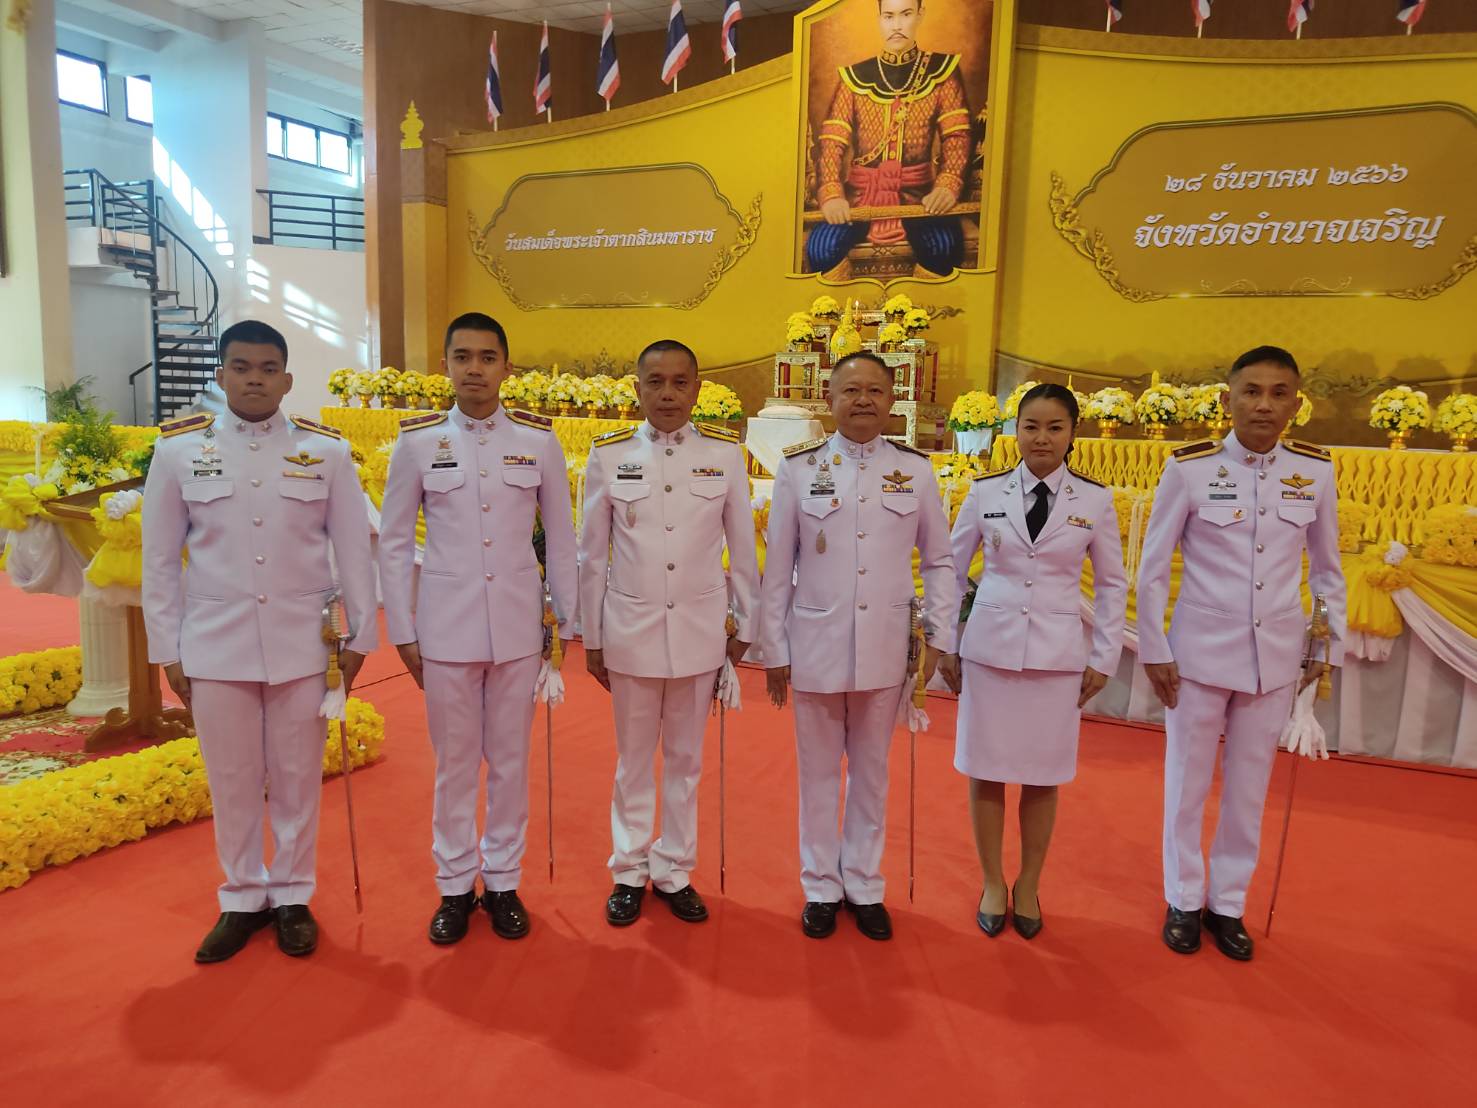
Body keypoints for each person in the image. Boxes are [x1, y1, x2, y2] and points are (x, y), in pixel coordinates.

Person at [142, 319, 376, 963]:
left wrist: (361, 635)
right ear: (221, 376)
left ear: (287, 379)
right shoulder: (178, 452)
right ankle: (243, 896)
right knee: (233, 779)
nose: (254, 379)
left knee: (298, 776)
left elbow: (354, 550)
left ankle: (294, 894)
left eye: (268, 369)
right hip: (214, 645)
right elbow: (158, 561)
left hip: (305, 644)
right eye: (241, 368)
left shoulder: (325, 452)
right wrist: (167, 649)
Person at [1137, 346, 1345, 962]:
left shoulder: (1315, 472)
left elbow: (1327, 570)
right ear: (1228, 400)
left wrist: (1323, 644)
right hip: (1197, 656)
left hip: (1273, 659)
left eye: (1279, 393)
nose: (1264, 404)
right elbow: (1153, 568)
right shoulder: (1190, 468)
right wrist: (1154, 647)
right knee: (1186, 783)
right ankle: (1183, 897)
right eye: (1251, 391)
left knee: (1250, 789)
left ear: (1296, 404)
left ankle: (1227, 904)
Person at [378, 312, 577, 946]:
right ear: (445, 365)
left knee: (511, 763)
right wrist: (403, 629)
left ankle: (505, 881)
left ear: (506, 368)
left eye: (487, 357)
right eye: (462, 357)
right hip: (445, 629)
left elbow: (562, 540)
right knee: (455, 765)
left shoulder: (538, 442)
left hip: (517, 629)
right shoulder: (418, 443)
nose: (474, 369)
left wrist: (565, 621)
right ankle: (455, 885)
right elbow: (393, 542)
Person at [760, 352, 957, 940]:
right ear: (830, 398)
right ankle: (821, 885)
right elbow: (778, 568)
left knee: (872, 774)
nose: (863, 400)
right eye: (851, 390)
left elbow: (940, 560)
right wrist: (775, 650)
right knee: (818, 774)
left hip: (885, 646)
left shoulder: (915, 470)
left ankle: (865, 885)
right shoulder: (799, 469)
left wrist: (939, 634)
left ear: (893, 399)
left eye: (875, 390)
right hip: (815, 642)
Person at [579, 340, 760, 927]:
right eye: (655, 382)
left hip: (700, 632)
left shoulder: (724, 455)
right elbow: (591, 555)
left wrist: (746, 624)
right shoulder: (609, 455)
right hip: (630, 631)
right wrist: (592, 636)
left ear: (697, 389)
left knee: (685, 761)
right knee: (633, 761)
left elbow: (743, 549)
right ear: (637, 389)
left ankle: (675, 869)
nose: (667, 393)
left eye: (680, 382)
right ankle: (629, 869)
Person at [939, 384, 1128, 940]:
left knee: (1044, 777)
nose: (1041, 438)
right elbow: (950, 570)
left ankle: (1028, 883)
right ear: (1014, 431)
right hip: (990, 653)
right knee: (987, 769)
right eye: (1030, 426)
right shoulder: (984, 492)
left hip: (1056, 658)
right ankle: (992, 881)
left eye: (1054, 427)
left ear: (1072, 434)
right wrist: (945, 641)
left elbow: (1112, 585)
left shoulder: (1094, 501)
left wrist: (1105, 656)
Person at [807, 0, 972, 277]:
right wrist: (832, 195)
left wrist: (947, 186)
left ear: (920, 15)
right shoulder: (853, 78)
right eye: (888, 16)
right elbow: (832, 142)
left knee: (943, 247)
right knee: (821, 248)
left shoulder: (942, 71)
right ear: (879, 19)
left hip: (919, 196)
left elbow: (957, 137)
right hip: (860, 197)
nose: (896, 25)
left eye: (905, 14)